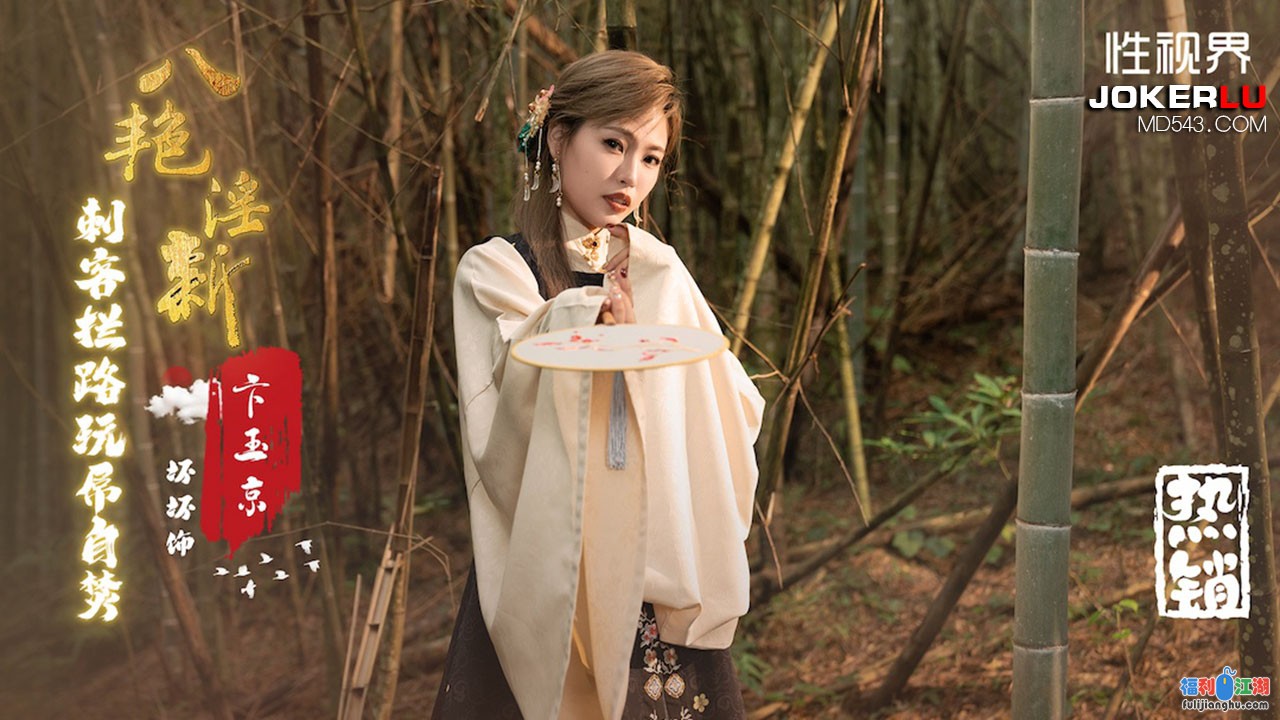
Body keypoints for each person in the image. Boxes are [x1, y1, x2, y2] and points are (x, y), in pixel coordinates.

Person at [433, 50, 765, 720]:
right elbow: (506, 402)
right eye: (613, 143)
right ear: (559, 139)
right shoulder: (496, 269)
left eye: (651, 157)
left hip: (654, 556)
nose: (630, 175)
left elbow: (728, 406)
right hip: (546, 567)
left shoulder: (659, 270)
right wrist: (587, 322)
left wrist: (660, 356)